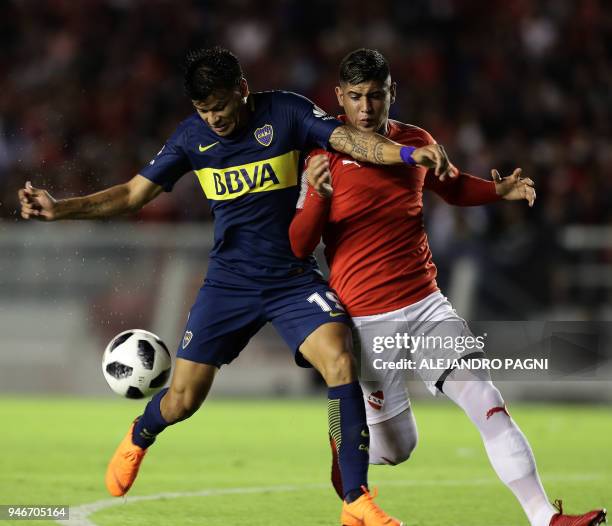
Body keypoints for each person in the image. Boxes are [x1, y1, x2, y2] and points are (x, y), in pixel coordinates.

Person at [17, 46, 457, 526]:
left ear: (242, 90)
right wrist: (61, 208)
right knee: (183, 400)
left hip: (291, 277)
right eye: (203, 110)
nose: (214, 119)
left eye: (221, 106)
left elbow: (354, 141)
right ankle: (142, 432)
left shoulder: (285, 112)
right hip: (229, 282)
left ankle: (355, 500)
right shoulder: (191, 138)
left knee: (340, 358)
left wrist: (410, 152)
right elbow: (130, 194)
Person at [289, 48, 607, 526]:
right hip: (365, 320)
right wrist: (315, 198)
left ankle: (545, 517)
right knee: (397, 449)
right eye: (355, 97)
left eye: (376, 96)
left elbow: (451, 185)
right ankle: (348, 441)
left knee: (485, 399)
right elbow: (297, 245)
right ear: (339, 97)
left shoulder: (416, 141)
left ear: (391, 93)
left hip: (426, 306)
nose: (367, 108)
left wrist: (497, 191)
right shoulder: (321, 152)